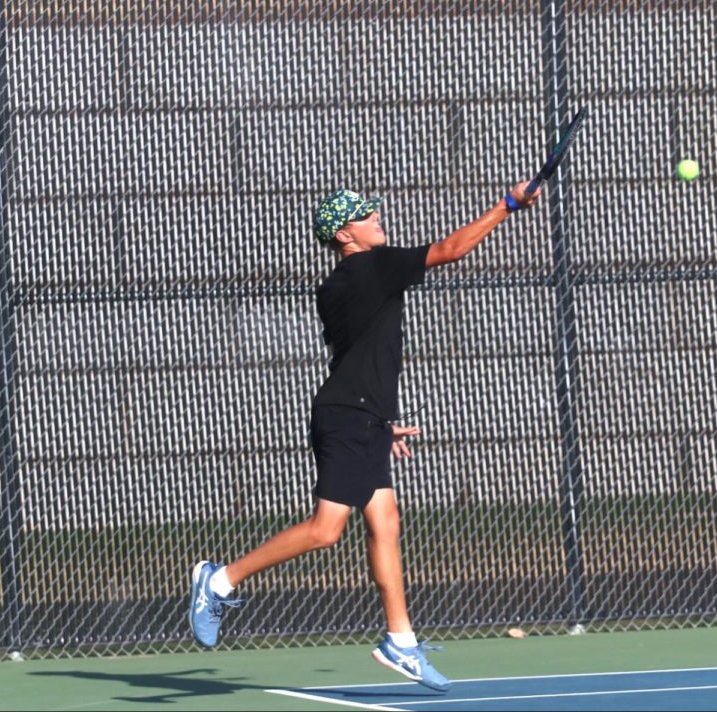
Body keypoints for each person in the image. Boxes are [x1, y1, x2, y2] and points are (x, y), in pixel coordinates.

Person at [189, 182, 541, 692]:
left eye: (372, 209)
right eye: (363, 215)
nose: (376, 216)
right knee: (327, 529)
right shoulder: (373, 268)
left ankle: (400, 640)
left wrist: (381, 420)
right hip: (350, 418)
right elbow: (453, 248)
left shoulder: (335, 287)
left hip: (360, 416)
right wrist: (509, 205)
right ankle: (220, 580)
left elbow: (356, 358)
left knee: (385, 519)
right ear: (342, 234)